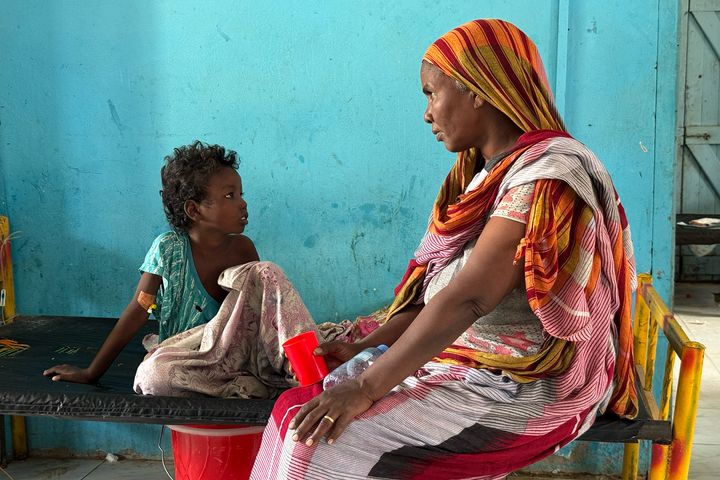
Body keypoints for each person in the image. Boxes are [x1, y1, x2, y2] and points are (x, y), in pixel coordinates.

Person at [250, 19, 638, 479]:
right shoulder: (487, 174)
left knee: (320, 443)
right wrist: (368, 346)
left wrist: (366, 387)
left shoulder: (548, 174)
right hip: (470, 355)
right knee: (294, 411)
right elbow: (442, 294)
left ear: (478, 88)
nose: (427, 113)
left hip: (525, 379)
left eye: (432, 93)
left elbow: (470, 297)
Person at [43, 141, 261, 386]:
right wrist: (91, 372)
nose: (242, 203)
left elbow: (254, 317)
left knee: (267, 275)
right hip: (181, 359)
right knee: (153, 374)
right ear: (194, 209)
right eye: (230, 195)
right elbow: (139, 309)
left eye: (241, 195)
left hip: (229, 358)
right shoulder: (168, 249)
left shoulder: (243, 250)